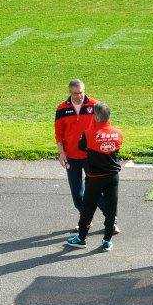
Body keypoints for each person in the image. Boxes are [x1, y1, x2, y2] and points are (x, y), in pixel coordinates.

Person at [55, 78, 116, 233]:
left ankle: (111, 219)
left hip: (91, 156)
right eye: (75, 93)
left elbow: (104, 127)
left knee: (95, 191)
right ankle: (85, 220)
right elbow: (59, 133)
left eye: (81, 92)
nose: (79, 96)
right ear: (70, 92)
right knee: (77, 194)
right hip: (71, 157)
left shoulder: (95, 105)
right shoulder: (61, 108)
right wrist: (61, 152)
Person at [66, 102, 123, 252]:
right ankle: (107, 240)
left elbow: (81, 147)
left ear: (96, 117)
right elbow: (117, 147)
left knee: (88, 209)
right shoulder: (118, 133)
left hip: (94, 178)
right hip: (113, 177)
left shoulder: (88, 133)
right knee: (111, 210)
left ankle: (81, 239)